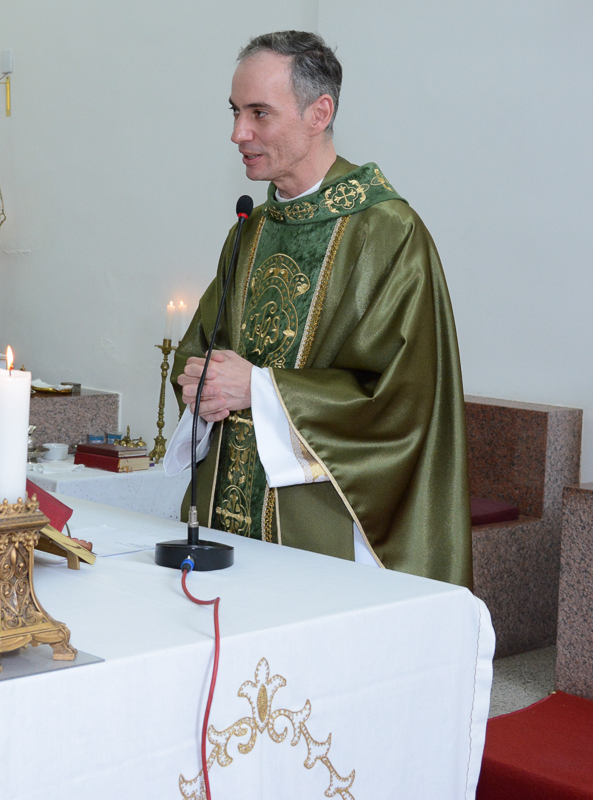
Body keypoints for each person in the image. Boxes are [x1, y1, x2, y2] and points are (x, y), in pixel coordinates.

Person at [166, 31, 471, 587]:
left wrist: (257, 389)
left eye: (260, 113)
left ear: (319, 112)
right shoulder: (249, 231)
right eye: (236, 112)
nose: (239, 133)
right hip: (226, 513)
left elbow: (403, 401)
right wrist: (197, 378)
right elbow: (201, 347)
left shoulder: (387, 232)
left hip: (324, 520)